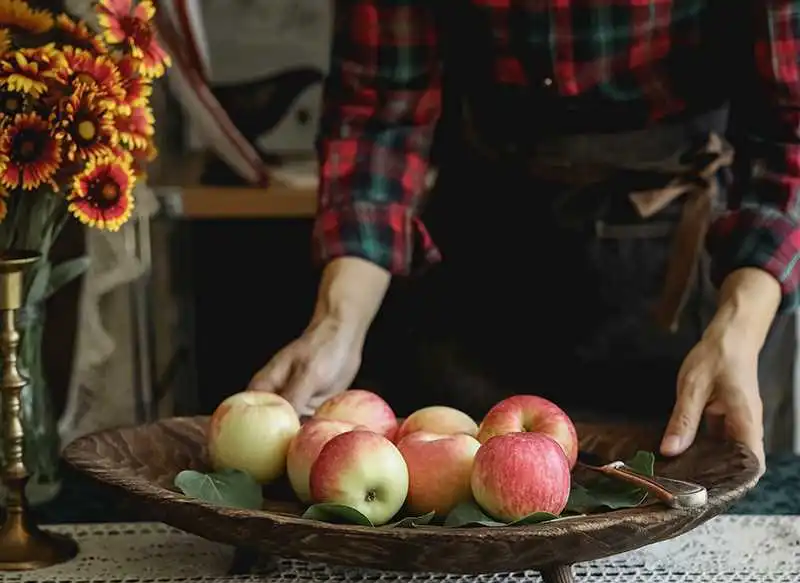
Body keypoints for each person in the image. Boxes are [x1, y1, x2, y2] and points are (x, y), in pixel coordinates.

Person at [251, 1, 800, 472]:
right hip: (482, 261)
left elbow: (791, 128)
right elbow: (378, 112)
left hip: (697, 277)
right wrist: (338, 322)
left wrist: (740, 324)